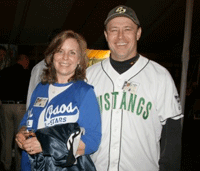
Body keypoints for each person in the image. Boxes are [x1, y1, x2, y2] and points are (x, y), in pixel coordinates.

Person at [86, 5, 183, 171]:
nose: (120, 36)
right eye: (114, 30)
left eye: (127, 29)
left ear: (138, 33)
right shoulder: (89, 76)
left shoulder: (160, 76)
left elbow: (172, 136)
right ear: (106, 35)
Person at [15, 30, 101, 171]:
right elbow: (27, 122)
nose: (65, 58)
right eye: (60, 51)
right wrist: (22, 132)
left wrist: (47, 145)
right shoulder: (40, 88)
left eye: (72, 52)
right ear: (52, 55)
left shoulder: (84, 92)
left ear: (79, 59)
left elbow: (92, 141)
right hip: (32, 165)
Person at [0, 54, 30, 171]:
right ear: (24, 60)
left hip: (6, 106)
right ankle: (19, 166)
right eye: (27, 61)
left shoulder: (4, 71)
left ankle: (5, 165)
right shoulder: (26, 73)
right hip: (20, 106)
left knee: (6, 137)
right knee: (21, 136)